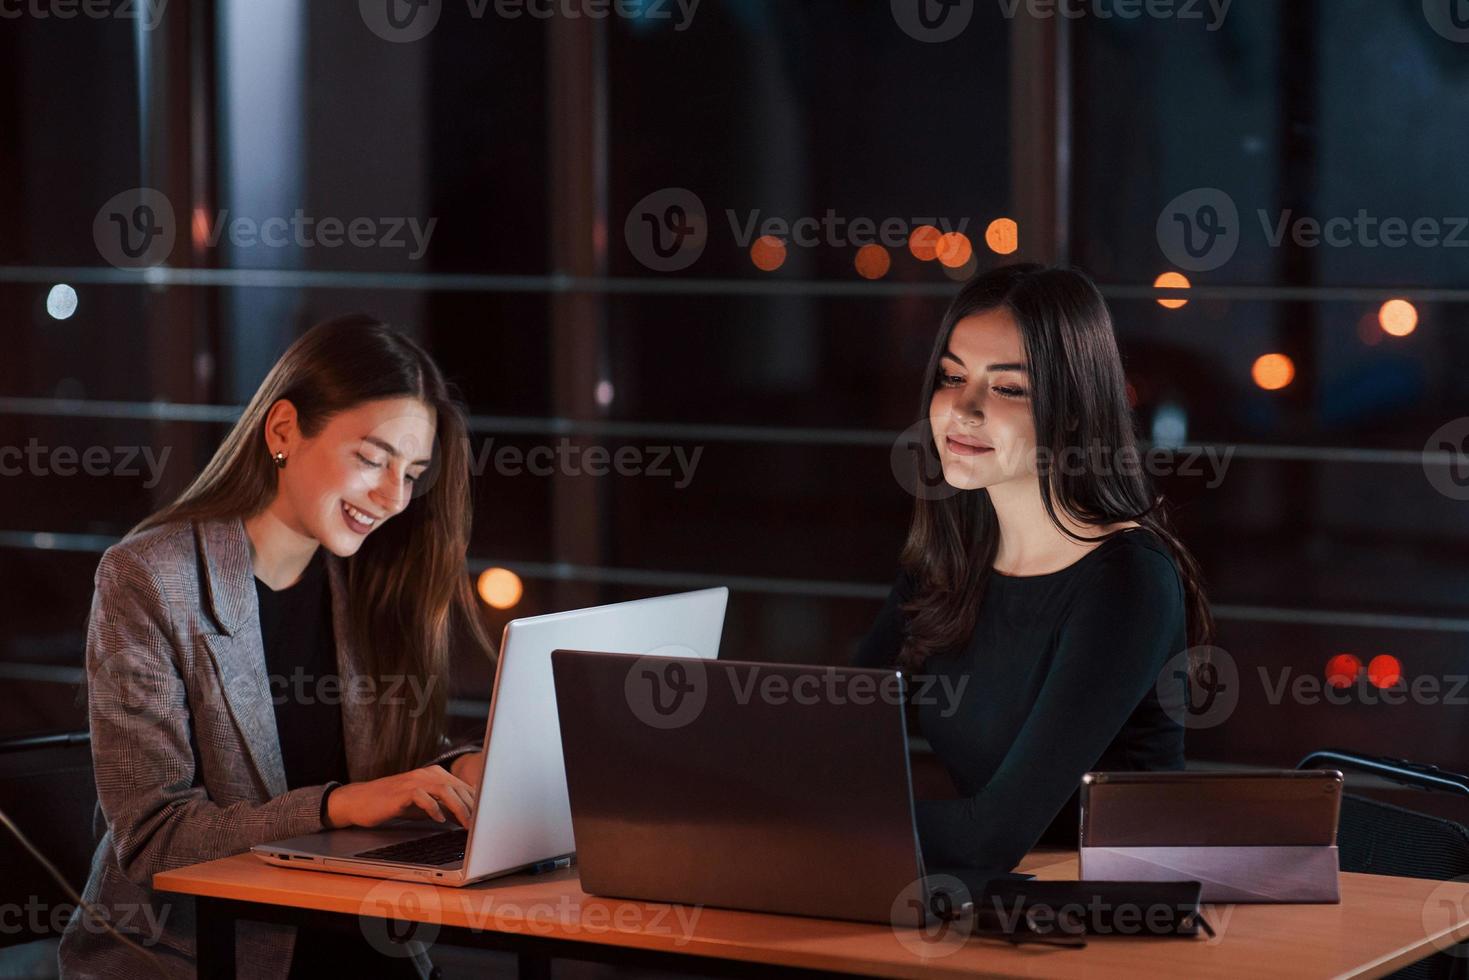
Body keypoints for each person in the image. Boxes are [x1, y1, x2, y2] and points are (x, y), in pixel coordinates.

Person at [59, 315, 495, 979]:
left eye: (411, 473)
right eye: (373, 459)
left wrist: (460, 772)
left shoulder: (365, 580)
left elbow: (390, 765)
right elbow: (153, 839)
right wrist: (335, 805)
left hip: (364, 939)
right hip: (199, 958)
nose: (391, 497)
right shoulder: (149, 578)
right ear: (284, 430)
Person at [855, 263, 1213, 872]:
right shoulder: (951, 556)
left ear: (1072, 412)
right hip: (994, 907)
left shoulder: (1128, 579)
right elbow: (837, 726)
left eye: (1007, 388)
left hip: (1111, 923)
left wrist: (807, 816)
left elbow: (990, 834)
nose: (963, 410)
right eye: (951, 376)